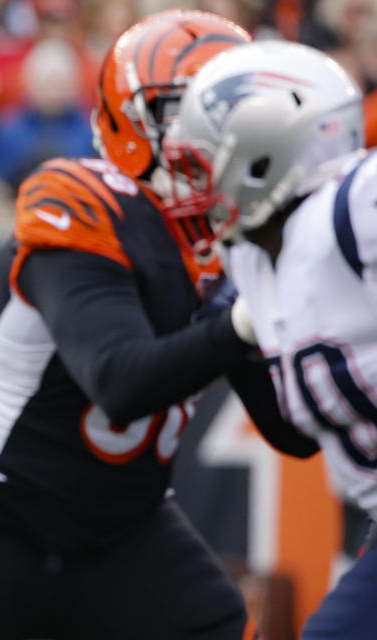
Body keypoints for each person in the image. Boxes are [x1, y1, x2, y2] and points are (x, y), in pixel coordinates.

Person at [0, 10, 319, 640]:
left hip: (121, 521)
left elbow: (293, 432)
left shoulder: (239, 234)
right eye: (188, 113)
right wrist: (244, 320)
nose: (207, 138)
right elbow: (120, 380)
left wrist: (276, 317)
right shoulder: (79, 196)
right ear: (131, 118)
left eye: (225, 115)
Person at [161, 40, 375, 640]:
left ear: (266, 147)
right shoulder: (254, 259)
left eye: (205, 160)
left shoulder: (355, 207)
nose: (190, 184)